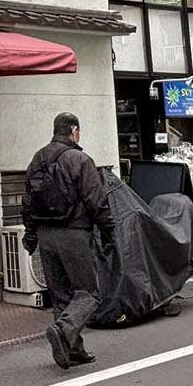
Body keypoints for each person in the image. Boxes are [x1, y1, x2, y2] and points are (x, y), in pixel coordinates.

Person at [23, 112, 113, 369]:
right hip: (74, 233)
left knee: (61, 294)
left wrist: (31, 233)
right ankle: (63, 330)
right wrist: (109, 231)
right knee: (88, 293)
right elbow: (96, 201)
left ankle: (73, 350)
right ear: (74, 130)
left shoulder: (37, 158)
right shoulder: (80, 159)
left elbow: (27, 200)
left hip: (45, 234)